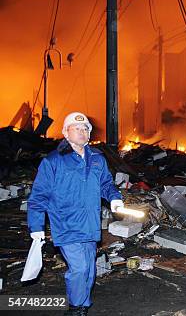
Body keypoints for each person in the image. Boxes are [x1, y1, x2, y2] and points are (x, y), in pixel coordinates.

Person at [27, 112, 124, 315]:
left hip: (90, 224)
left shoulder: (97, 158)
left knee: (89, 269)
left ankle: (83, 304)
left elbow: (106, 183)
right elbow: (38, 196)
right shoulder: (53, 162)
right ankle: (75, 307)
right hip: (66, 224)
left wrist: (114, 197)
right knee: (79, 269)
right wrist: (36, 226)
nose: (82, 132)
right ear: (65, 132)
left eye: (85, 129)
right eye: (76, 128)